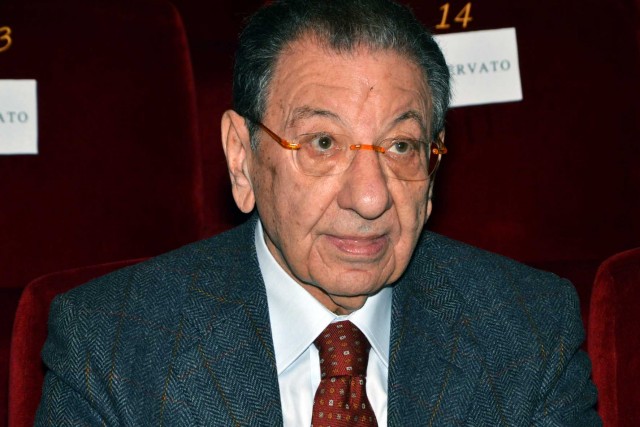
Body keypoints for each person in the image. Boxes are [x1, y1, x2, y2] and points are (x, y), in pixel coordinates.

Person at [36, 0, 601, 425]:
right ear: (242, 158)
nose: (370, 198)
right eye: (324, 143)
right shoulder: (111, 347)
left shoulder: (528, 332)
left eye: (401, 146)